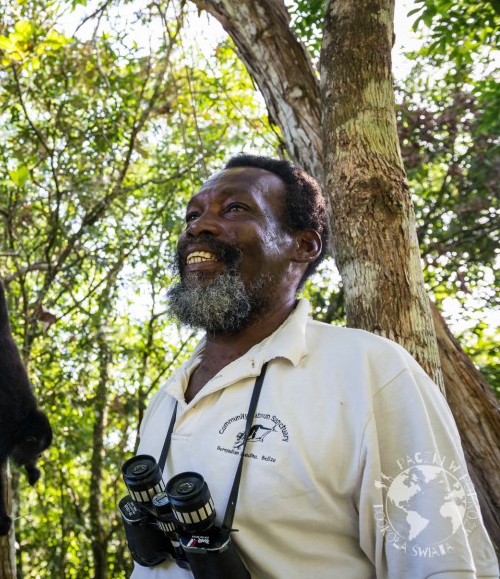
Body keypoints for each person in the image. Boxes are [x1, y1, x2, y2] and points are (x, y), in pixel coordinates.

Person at [129, 155, 499, 579]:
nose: (198, 227)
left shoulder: (371, 372)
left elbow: (441, 567)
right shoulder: (168, 396)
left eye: (234, 208)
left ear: (302, 245)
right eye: (193, 215)